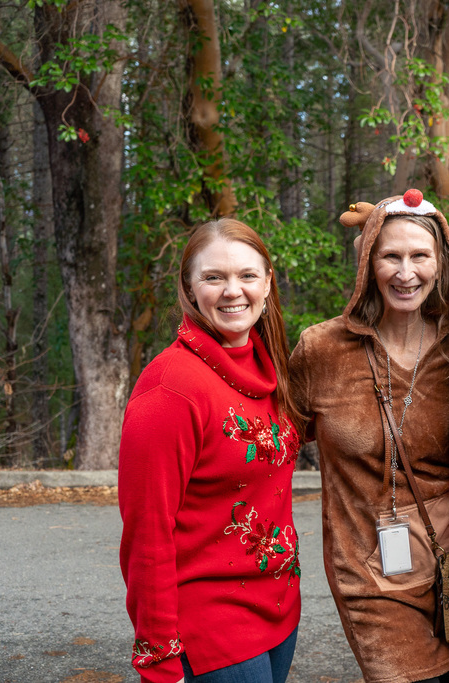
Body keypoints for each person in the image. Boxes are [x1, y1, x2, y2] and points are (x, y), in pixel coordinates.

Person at [288, 190, 449, 683]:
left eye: (420, 256)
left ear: (442, 264)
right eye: (390, 256)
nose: (405, 272)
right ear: (367, 261)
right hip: (366, 573)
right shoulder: (321, 350)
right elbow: (274, 446)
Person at [119, 218, 303, 683]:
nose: (232, 291)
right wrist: (159, 658)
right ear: (189, 288)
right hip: (211, 625)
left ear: (267, 283)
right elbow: (147, 533)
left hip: (278, 612)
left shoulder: (270, 365)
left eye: (246, 275)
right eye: (213, 277)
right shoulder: (171, 388)